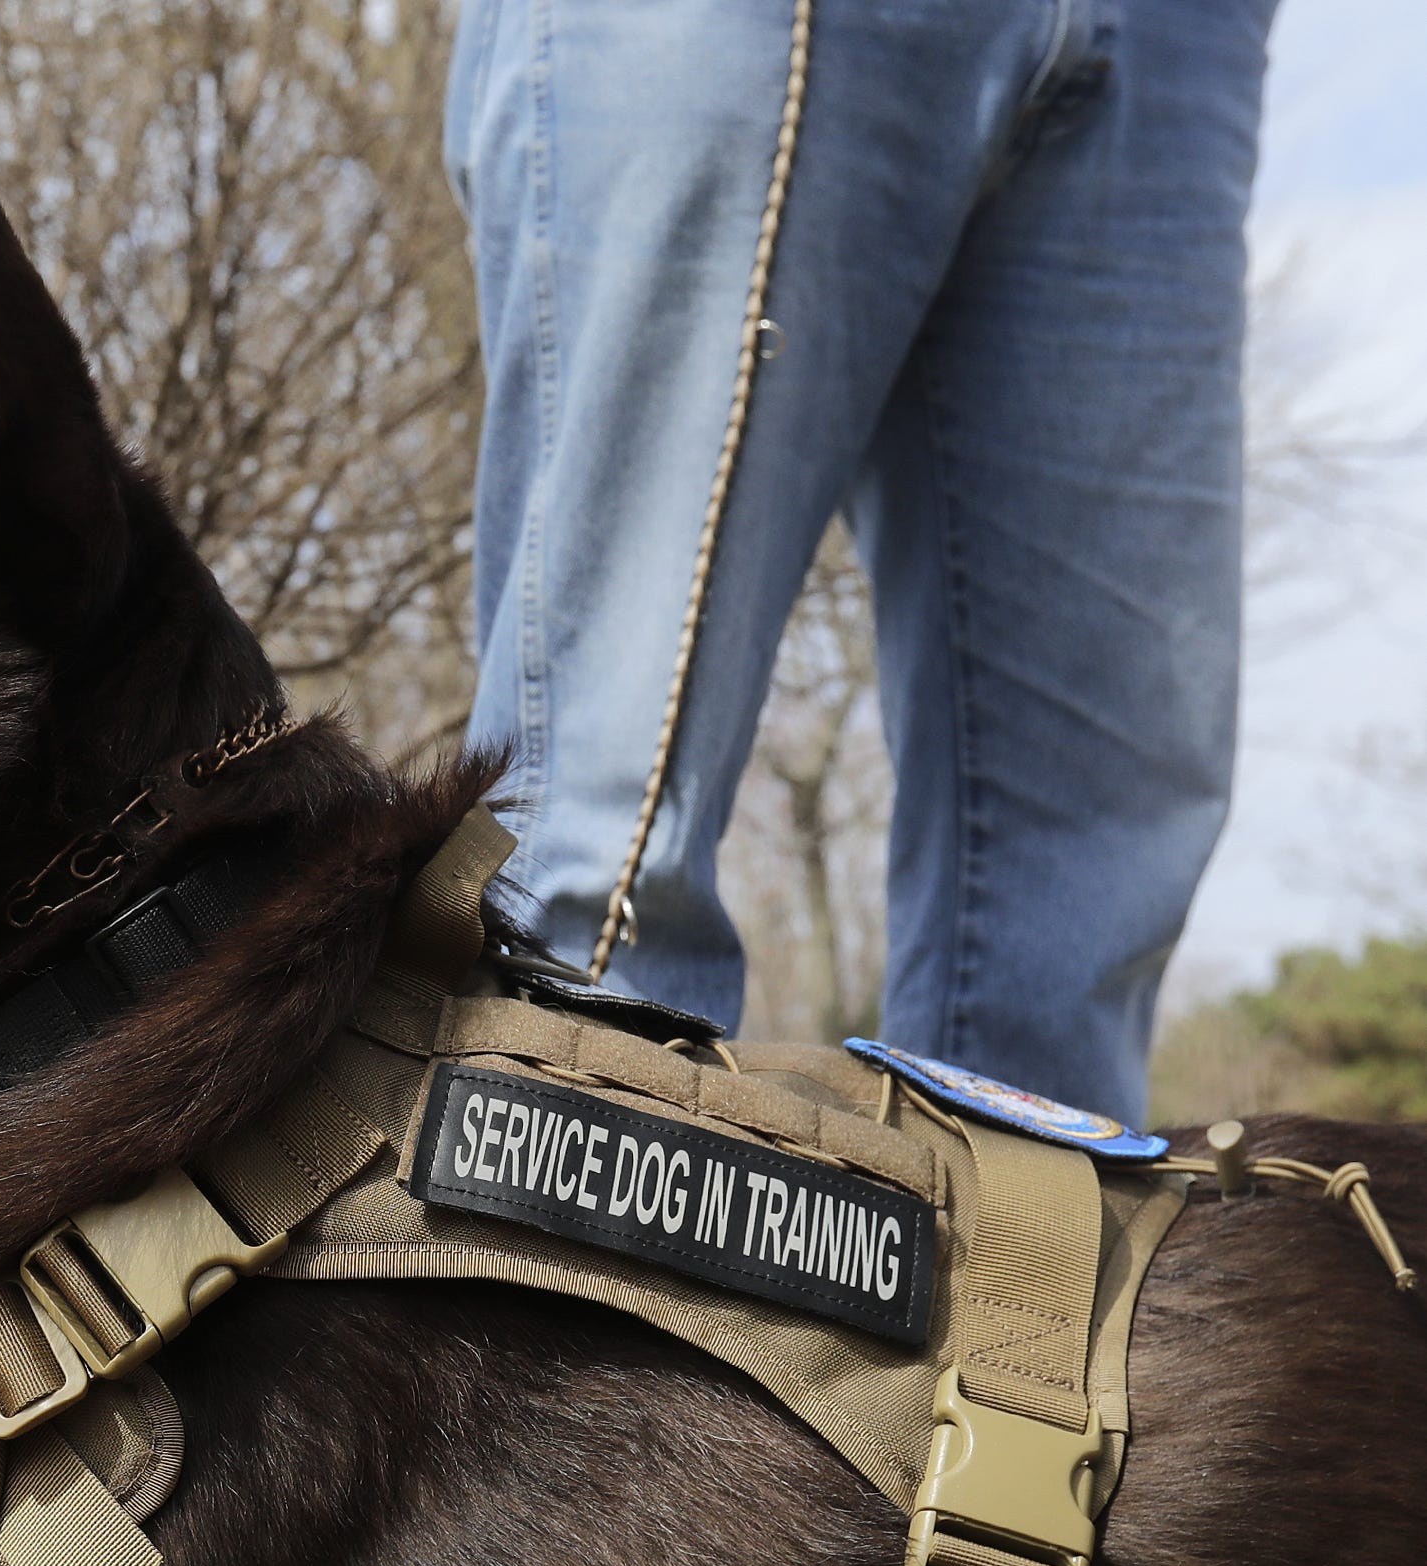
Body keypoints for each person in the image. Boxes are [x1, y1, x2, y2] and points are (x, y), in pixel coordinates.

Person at [445, 0, 1280, 1125]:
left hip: (1177, 37)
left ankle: (1015, 1298)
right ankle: (529, 1299)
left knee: (1068, 958)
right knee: (594, 883)